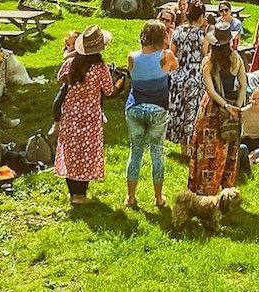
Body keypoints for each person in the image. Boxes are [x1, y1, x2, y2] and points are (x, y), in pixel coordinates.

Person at [55, 25, 115, 205]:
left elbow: (60, 77)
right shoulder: (101, 68)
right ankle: (81, 194)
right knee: (87, 153)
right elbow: (109, 90)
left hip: (71, 114)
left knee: (71, 152)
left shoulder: (71, 64)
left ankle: (73, 193)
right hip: (91, 116)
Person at [188, 22, 247, 195]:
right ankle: (226, 192)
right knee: (229, 149)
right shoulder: (236, 58)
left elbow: (210, 90)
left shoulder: (208, 61)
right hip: (232, 109)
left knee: (209, 151)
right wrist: (237, 107)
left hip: (213, 111)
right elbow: (243, 85)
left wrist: (226, 106)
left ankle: (205, 191)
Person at [125, 19, 178, 209]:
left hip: (135, 107)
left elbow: (132, 74)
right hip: (158, 108)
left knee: (135, 151)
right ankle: (158, 198)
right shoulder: (166, 56)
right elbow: (175, 67)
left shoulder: (132, 57)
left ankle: (130, 197)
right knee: (157, 152)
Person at [166, 0, 209, 148]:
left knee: (179, 109)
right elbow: (205, 55)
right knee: (192, 111)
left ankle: (181, 144)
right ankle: (189, 145)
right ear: (201, 16)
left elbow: (172, 52)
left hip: (178, 75)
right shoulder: (202, 35)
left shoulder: (177, 31)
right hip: (195, 76)